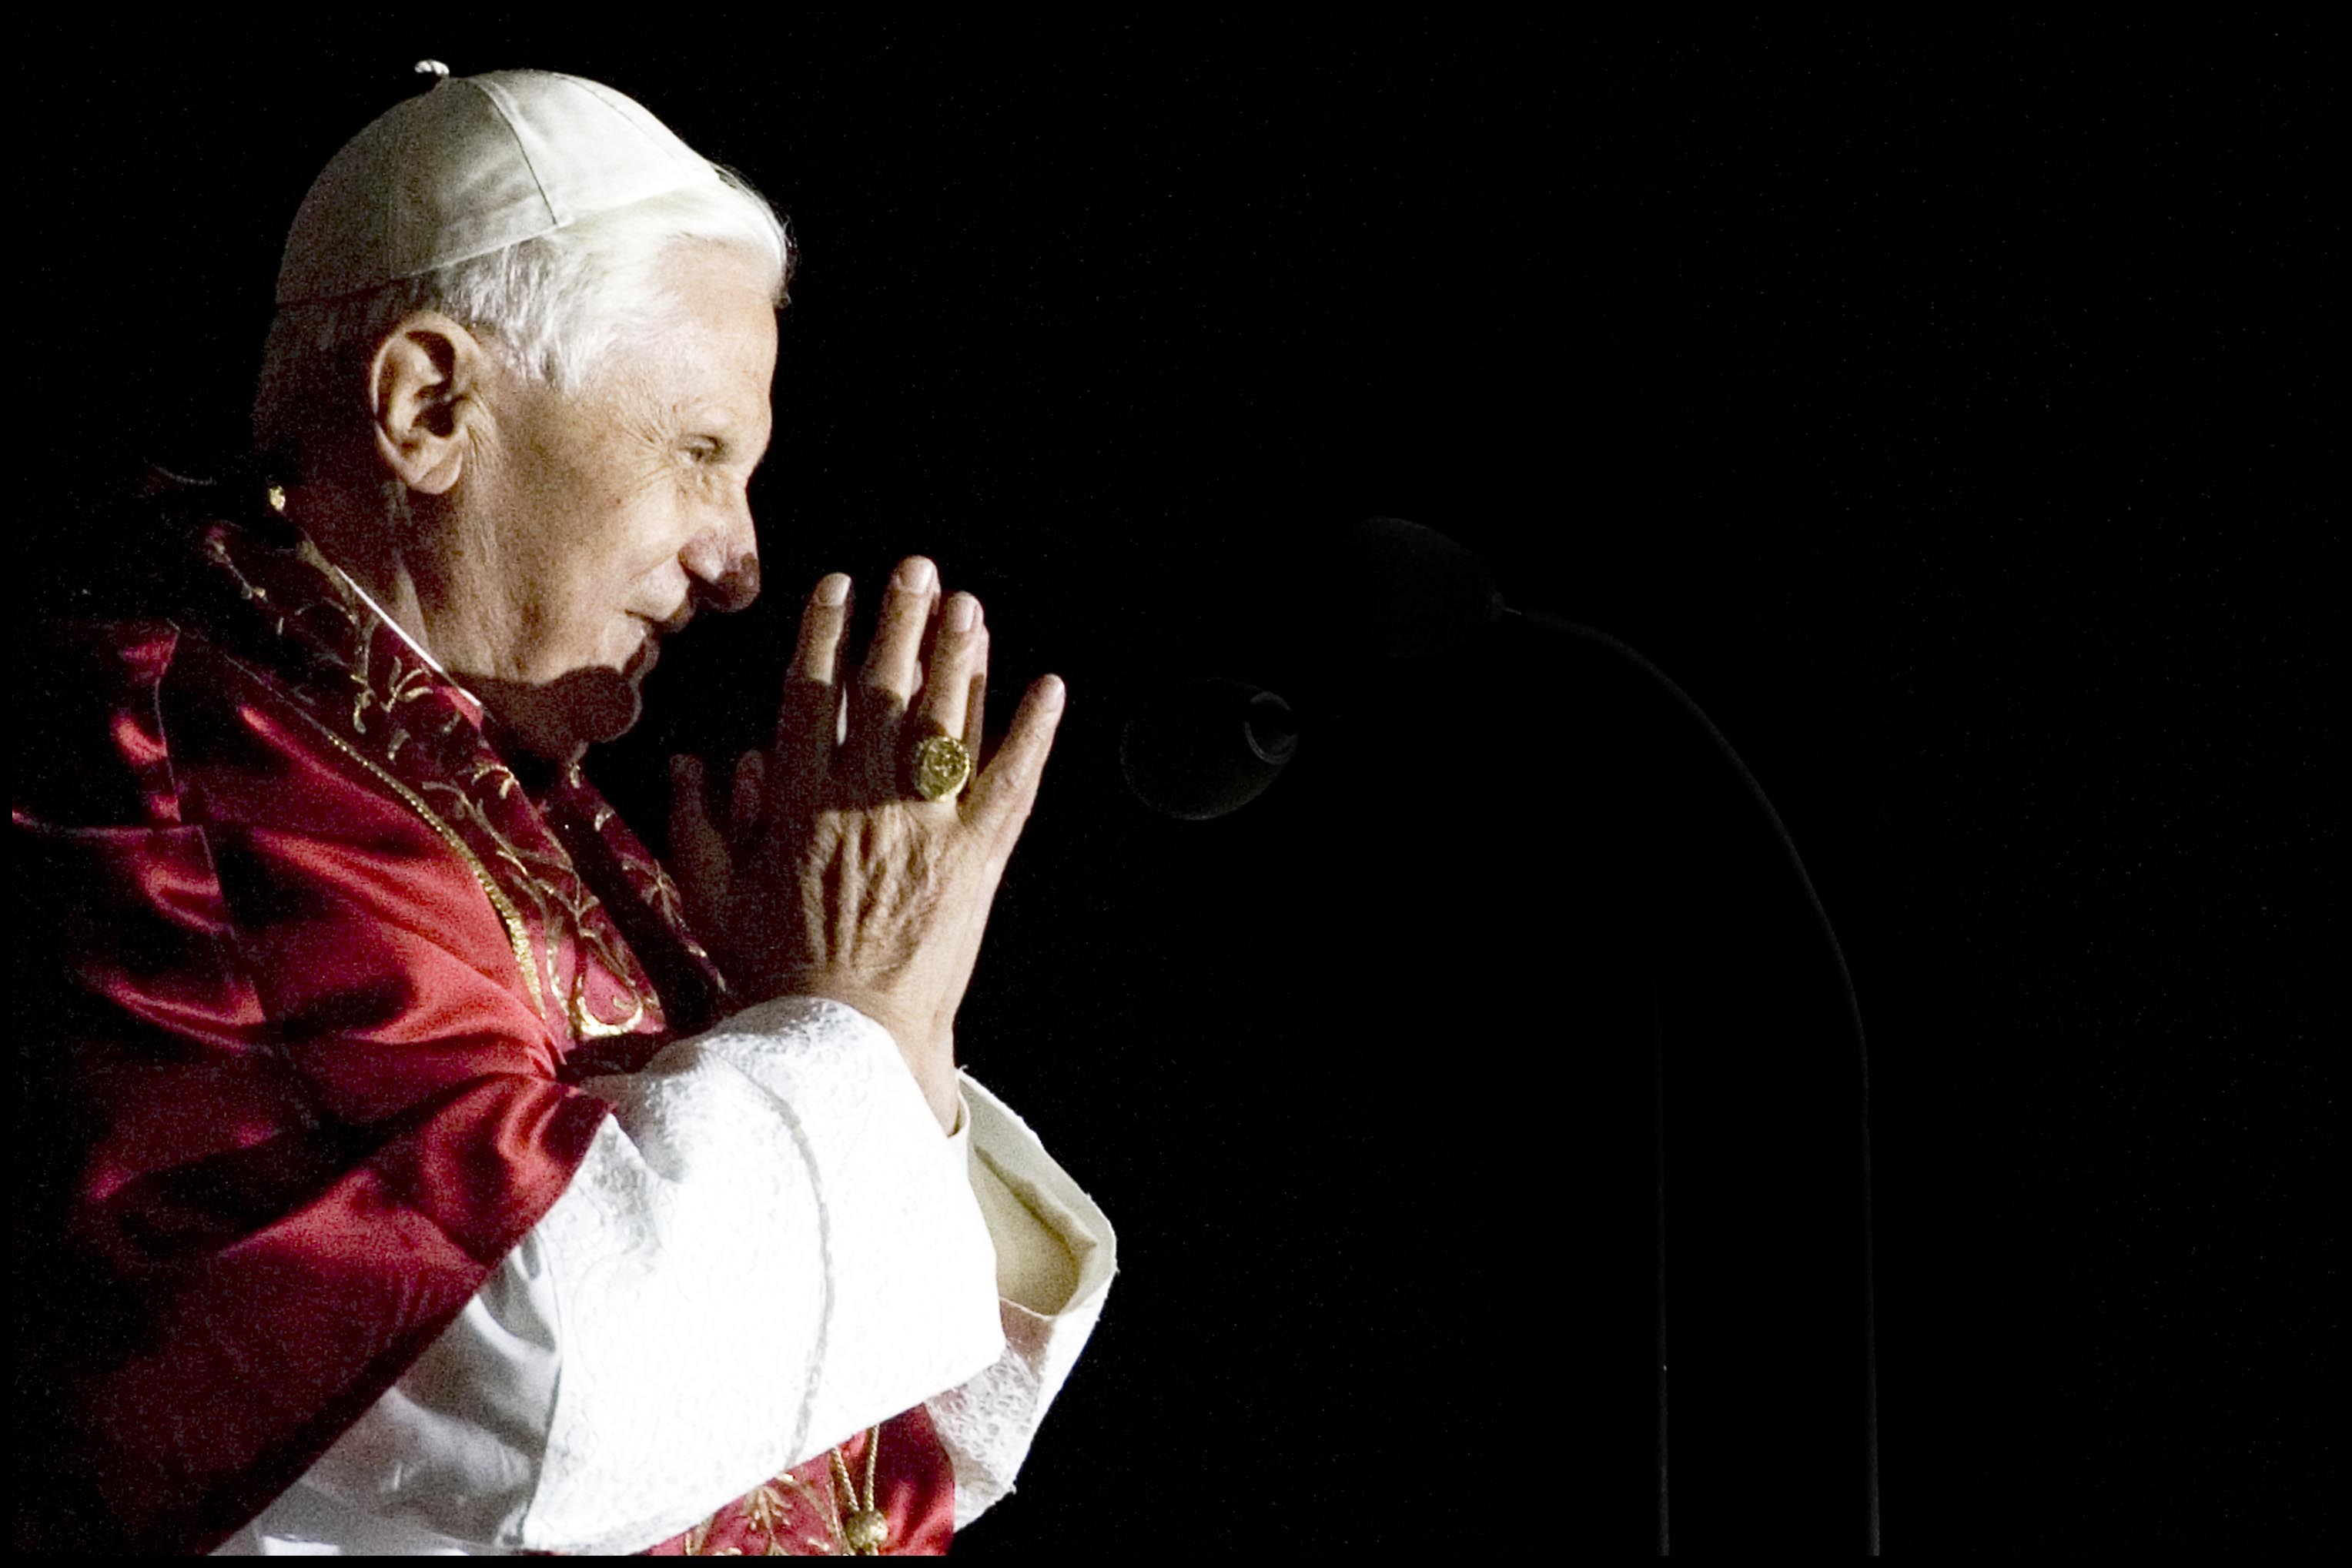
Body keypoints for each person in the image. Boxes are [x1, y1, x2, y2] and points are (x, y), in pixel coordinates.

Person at [13, 66, 1114, 1556]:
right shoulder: (181, 762)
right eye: (698, 452)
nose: (737, 563)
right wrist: (849, 1015)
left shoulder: (533, 806)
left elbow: (844, 1460)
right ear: (429, 405)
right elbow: (537, 1383)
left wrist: (836, 1031)